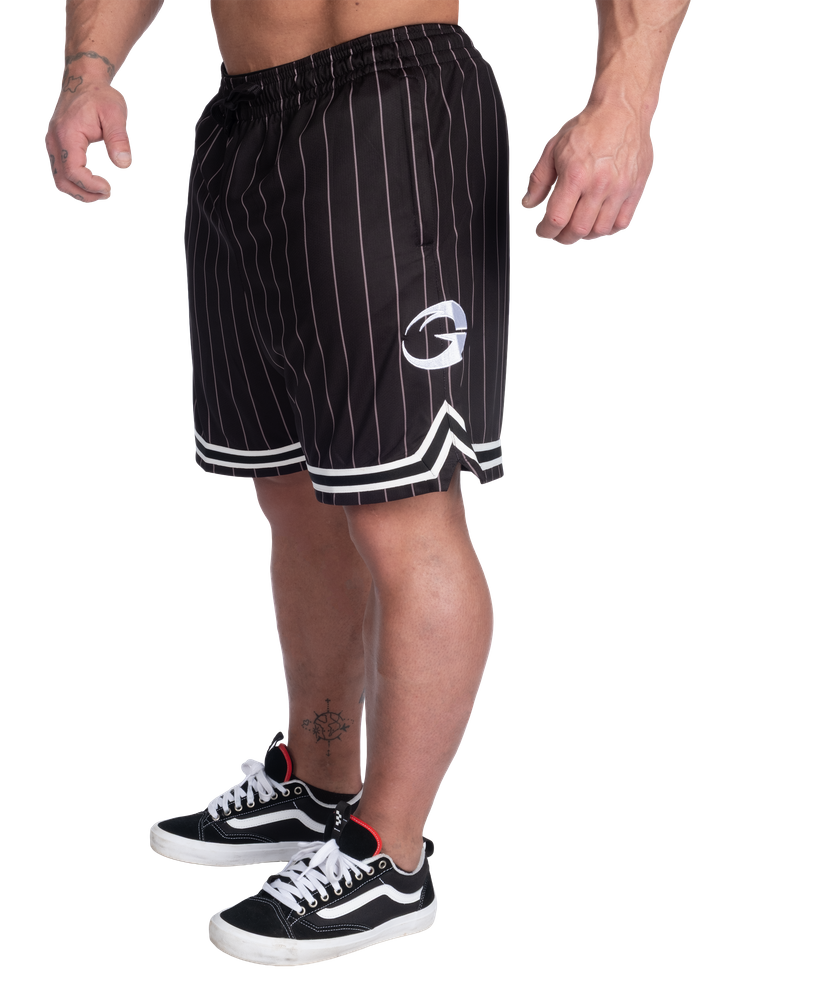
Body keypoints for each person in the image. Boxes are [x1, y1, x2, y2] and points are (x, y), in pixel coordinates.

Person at [45, 0, 692, 966]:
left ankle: (391, 852)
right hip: (245, 118)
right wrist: (89, 66)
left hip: (396, 103)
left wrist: (625, 100)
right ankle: (318, 776)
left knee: (403, 509)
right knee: (295, 494)